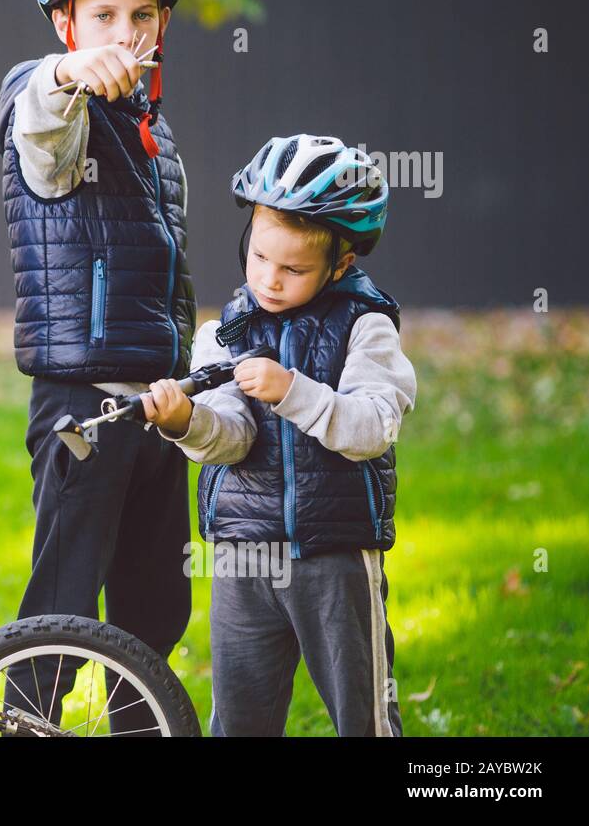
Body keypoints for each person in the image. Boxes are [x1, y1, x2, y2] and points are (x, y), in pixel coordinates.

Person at [0, 0, 196, 731]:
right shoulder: (49, 104)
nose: (125, 33)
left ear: (163, 25)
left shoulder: (156, 137)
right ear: (64, 22)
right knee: (64, 603)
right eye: (103, 15)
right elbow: (38, 118)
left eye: (141, 15)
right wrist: (67, 72)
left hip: (157, 405)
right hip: (85, 402)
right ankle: (21, 722)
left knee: (154, 606)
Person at [142, 134, 417, 736]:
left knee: (363, 716)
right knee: (239, 720)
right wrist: (184, 422)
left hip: (335, 555)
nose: (269, 279)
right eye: (259, 257)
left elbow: (373, 425)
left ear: (341, 263)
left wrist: (293, 390)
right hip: (245, 553)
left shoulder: (365, 326)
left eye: (293, 269)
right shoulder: (227, 331)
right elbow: (234, 438)